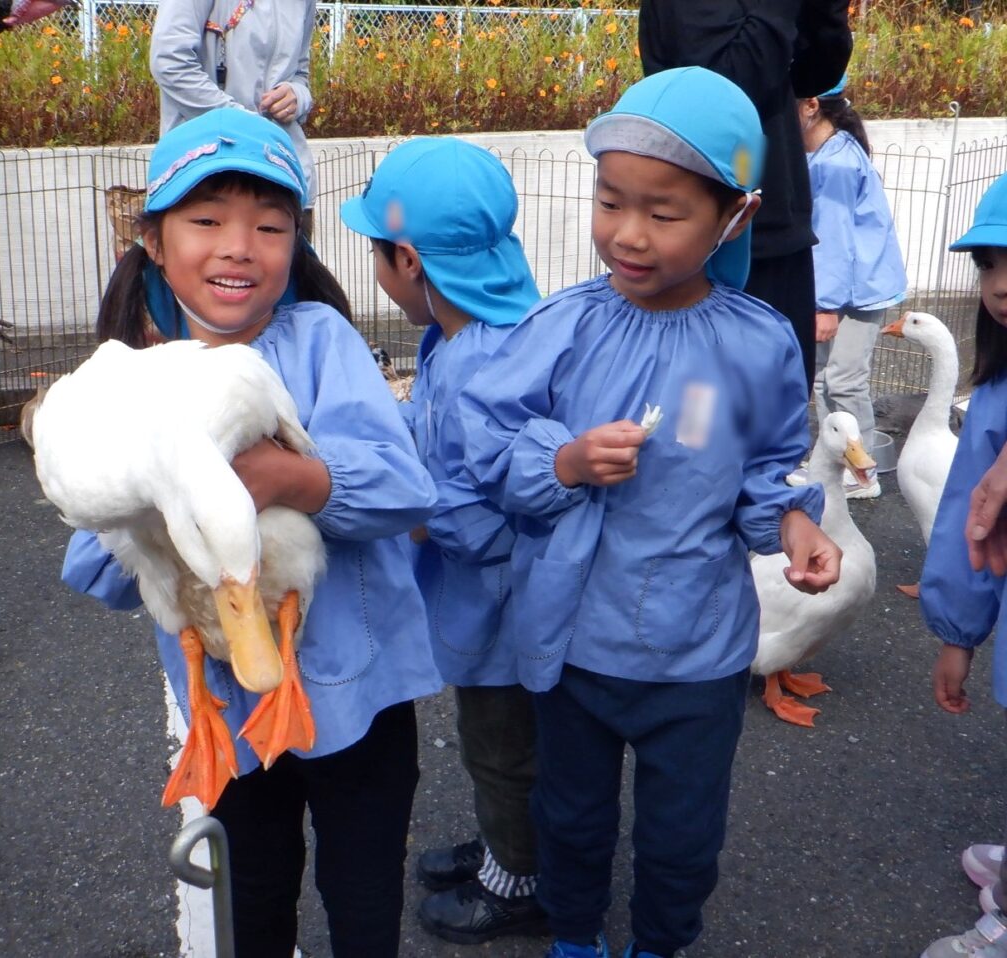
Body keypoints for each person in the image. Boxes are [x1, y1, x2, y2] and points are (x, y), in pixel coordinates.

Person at [456, 66, 842, 958]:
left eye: (664, 213)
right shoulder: (561, 327)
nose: (628, 234)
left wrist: (795, 525)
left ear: (736, 216)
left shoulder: (756, 343)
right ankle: (576, 937)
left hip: (697, 653)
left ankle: (661, 942)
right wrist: (564, 461)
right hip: (575, 644)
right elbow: (485, 449)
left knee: (682, 838)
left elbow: (766, 469)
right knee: (570, 816)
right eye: (610, 202)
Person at [60, 108, 443, 958]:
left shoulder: (323, 343)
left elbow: (407, 489)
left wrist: (290, 477)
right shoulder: (136, 380)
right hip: (229, 720)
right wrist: (149, 498)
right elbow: (97, 565)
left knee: (364, 893)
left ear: (295, 245)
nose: (239, 247)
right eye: (206, 221)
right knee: (253, 895)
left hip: (360, 698)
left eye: (270, 227)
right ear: (153, 242)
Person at [340, 137, 549, 944]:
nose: (379, 271)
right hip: (496, 602)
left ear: (408, 260)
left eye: (378, 254)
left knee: (502, 748)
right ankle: (507, 843)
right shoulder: (470, 334)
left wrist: (405, 509)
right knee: (501, 741)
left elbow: (491, 514)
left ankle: (519, 880)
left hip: (505, 611)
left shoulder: (479, 369)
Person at [637, 0, 852, 393]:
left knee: (782, 392)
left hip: (779, 225)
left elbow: (815, 73)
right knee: (703, 406)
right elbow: (725, 89)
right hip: (712, 234)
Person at [918, 171, 1007, 958]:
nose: (1000, 284)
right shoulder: (996, 388)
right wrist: (959, 629)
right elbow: (971, 522)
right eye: (988, 264)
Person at [797, 77, 908, 499]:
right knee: (825, 378)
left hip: (857, 290)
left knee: (843, 379)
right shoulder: (826, 152)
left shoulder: (836, 162)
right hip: (847, 285)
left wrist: (823, 306)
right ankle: (833, 466)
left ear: (810, 105)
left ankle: (864, 475)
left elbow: (834, 239)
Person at [149, 0, 318, 222]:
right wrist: (243, 125)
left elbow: (300, 74)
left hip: (284, 180)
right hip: (204, 178)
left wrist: (297, 95)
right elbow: (170, 62)